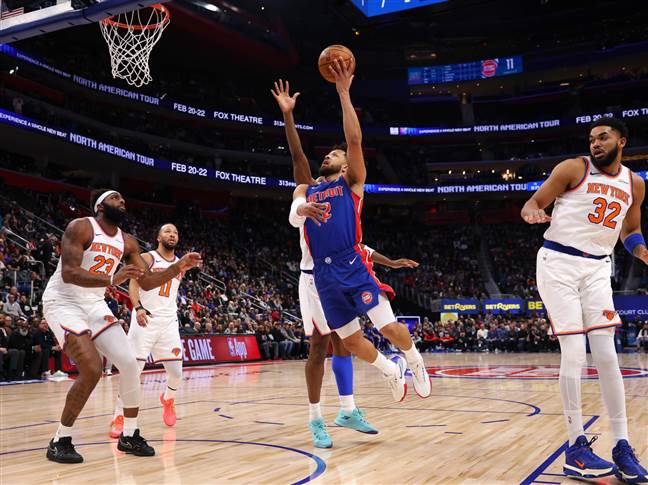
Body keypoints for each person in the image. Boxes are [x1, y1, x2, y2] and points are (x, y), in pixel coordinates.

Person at [273, 78, 420, 447]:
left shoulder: (347, 186)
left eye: (334, 154)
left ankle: (349, 409)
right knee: (319, 347)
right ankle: (315, 419)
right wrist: (288, 116)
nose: (328, 156)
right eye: (327, 154)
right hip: (313, 278)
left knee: (346, 343)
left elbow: (358, 242)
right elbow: (297, 159)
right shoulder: (308, 188)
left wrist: (390, 262)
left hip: (343, 269)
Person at [521, 117, 647, 482]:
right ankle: (575, 448)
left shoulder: (634, 183)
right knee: (575, 352)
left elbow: (631, 230)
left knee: (607, 354)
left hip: (597, 268)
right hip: (558, 262)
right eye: (592, 138)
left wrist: (641, 251)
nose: (595, 143)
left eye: (603, 137)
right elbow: (534, 201)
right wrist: (531, 211)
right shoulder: (574, 168)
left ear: (622, 141)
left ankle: (622, 446)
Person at [41, 189, 201, 464]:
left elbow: (147, 282)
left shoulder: (127, 242)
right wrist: (112, 280)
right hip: (64, 301)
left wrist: (178, 267)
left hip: (94, 304)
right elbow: (69, 273)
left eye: (124, 199)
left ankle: (129, 434)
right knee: (92, 369)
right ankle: (60, 440)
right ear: (100, 206)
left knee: (129, 364)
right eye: (115, 198)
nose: (122, 201)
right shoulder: (81, 227)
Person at [110, 223, 185, 437]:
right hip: (145, 319)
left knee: (176, 373)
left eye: (175, 232)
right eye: (167, 231)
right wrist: (138, 307)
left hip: (168, 322)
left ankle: (168, 399)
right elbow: (134, 284)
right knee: (133, 372)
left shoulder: (180, 263)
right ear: (158, 237)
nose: (172, 234)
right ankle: (119, 415)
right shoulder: (148, 258)